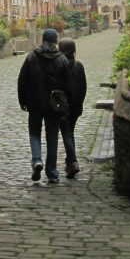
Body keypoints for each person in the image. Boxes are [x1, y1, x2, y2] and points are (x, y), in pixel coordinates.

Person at [17, 27, 73, 183]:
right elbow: (68, 84)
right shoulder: (61, 59)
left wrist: (22, 100)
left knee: (34, 133)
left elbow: (22, 80)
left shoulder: (31, 57)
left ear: (43, 40)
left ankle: (36, 160)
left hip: (35, 103)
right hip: (53, 105)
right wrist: (66, 104)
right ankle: (52, 172)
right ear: (55, 42)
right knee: (52, 137)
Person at [57, 37, 87, 178]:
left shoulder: (58, 65)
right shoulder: (78, 66)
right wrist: (79, 102)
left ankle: (73, 162)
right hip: (75, 107)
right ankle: (69, 162)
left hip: (63, 107)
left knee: (67, 134)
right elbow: (83, 87)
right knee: (70, 133)